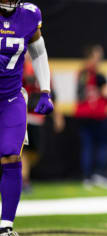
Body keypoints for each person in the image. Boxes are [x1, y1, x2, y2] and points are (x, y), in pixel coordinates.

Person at [0, 1, 54, 235]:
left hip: (11, 99)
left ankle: (6, 226)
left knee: (12, 156)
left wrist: (45, 90)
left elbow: (39, 52)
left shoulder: (30, 15)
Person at [74, 44, 107, 189]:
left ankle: (89, 177)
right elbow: (106, 93)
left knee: (89, 146)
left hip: (86, 114)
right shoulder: (95, 75)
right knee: (98, 145)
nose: (99, 59)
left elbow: (80, 94)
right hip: (95, 114)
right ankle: (94, 175)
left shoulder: (82, 73)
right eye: (97, 56)